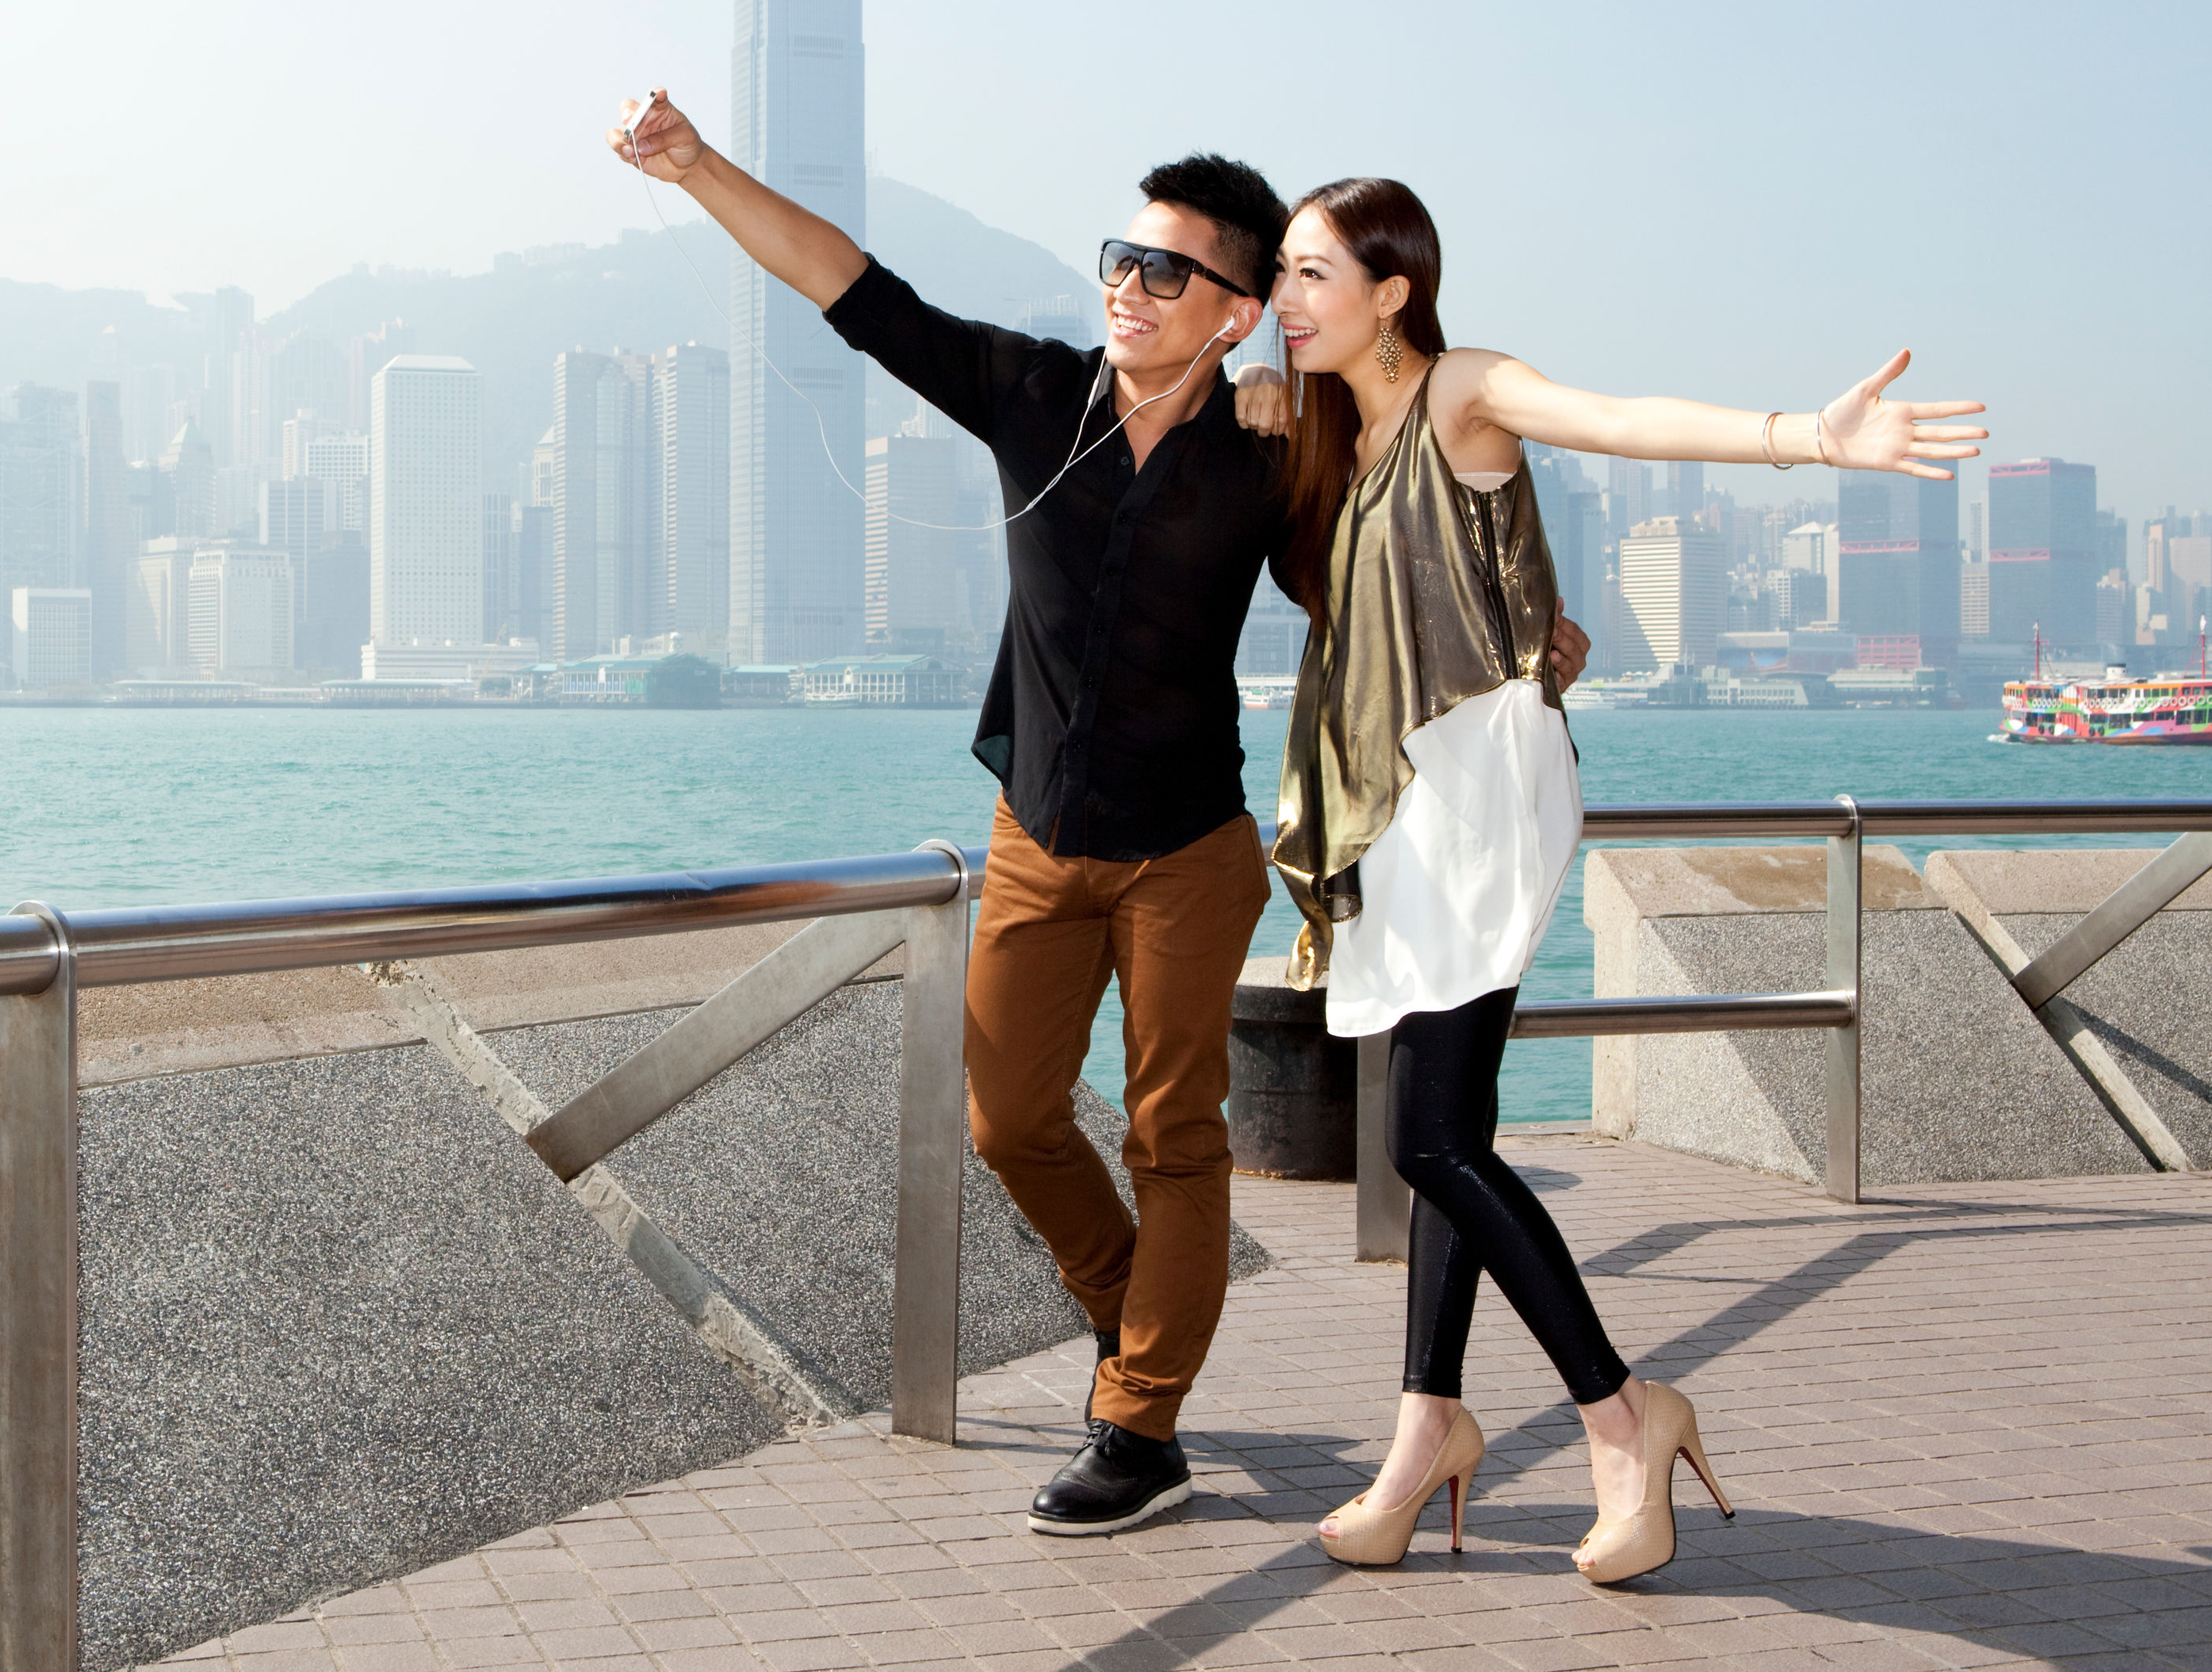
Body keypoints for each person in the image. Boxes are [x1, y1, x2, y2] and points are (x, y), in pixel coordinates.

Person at [608, 94, 1587, 1535]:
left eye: (1167, 271)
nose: (1128, 287)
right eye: (1119, 258)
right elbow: (848, 283)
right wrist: (695, 167)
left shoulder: (1273, 449)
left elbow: (1381, 583)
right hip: (1034, 838)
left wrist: (1534, 645)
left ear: (1241, 313)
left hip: (1192, 854)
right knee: (1007, 1119)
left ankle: (1139, 1424)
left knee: (1172, 1137)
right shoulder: (1029, 394)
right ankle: (1145, 1319)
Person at [1251, 176, 1984, 1582]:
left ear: (1392, 289)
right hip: (1398, 797)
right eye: (1280, 273)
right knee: (1438, 1128)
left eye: (1310, 273)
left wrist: (1809, 442)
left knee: (1425, 1143)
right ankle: (1426, 1439)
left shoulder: (1464, 387)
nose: (1287, 298)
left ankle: (1623, 1415)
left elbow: (1620, 417)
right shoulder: (1334, 434)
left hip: (1474, 790)